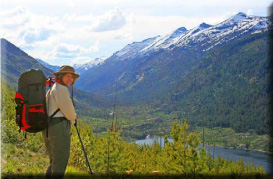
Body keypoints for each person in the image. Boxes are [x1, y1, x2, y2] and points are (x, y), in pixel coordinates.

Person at [42, 65, 79, 178]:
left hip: (47, 127)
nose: (70, 79)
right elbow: (69, 112)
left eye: (72, 77)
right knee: (61, 160)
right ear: (61, 76)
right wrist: (73, 119)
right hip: (59, 128)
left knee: (54, 160)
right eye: (68, 76)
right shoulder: (61, 89)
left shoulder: (53, 88)